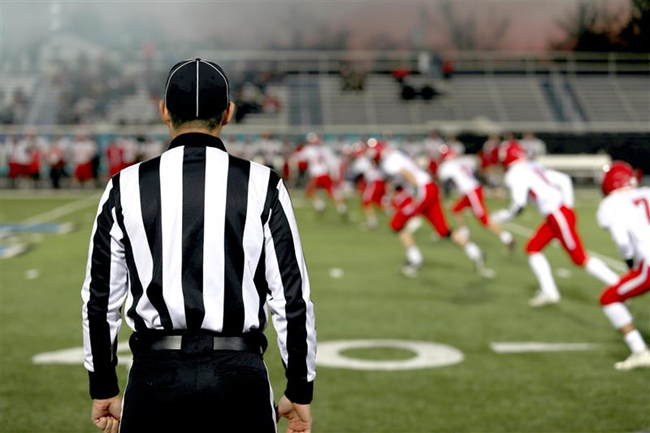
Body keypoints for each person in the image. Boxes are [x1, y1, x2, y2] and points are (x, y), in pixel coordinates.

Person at [82, 58, 316, 433]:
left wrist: (103, 385)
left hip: (155, 376)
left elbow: (100, 298)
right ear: (228, 113)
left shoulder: (124, 186)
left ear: (163, 112)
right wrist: (300, 387)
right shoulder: (263, 184)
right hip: (238, 374)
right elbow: (291, 298)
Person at [492, 142, 619, 307]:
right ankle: (549, 292)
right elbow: (564, 180)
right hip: (558, 214)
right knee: (533, 248)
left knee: (579, 258)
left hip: (557, 215)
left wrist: (502, 217)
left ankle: (618, 287)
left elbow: (518, 205)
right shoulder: (532, 166)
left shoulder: (515, 173)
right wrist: (568, 206)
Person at [368, 140, 485, 277]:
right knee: (443, 230)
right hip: (430, 187)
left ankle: (415, 260)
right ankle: (475, 252)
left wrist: (417, 193)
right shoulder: (396, 155)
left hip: (422, 191)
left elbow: (407, 174)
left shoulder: (389, 162)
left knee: (396, 224)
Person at [596, 161, 650, 370]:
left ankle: (639, 351)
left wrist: (629, 263)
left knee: (609, 298)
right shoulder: (647, 192)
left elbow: (623, 243)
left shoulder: (610, 204)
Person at [436, 144, 514, 251]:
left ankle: (507, 237)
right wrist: (491, 187)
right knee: (455, 209)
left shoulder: (447, 166)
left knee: (484, 220)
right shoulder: (463, 161)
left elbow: (447, 183)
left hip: (471, 192)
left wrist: (444, 195)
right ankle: (464, 232)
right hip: (472, 190)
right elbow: (478, 175)